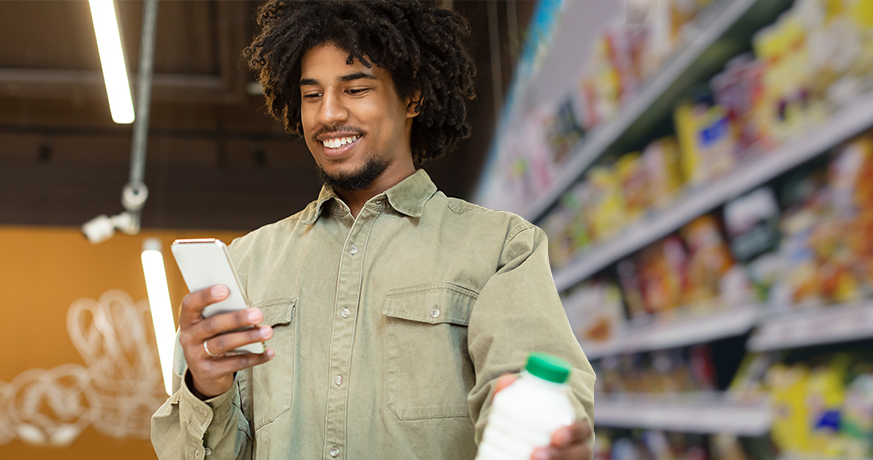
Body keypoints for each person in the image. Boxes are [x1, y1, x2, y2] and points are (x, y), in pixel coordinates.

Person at [149, 1, 595, 458]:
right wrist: (206, 388)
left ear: (412, 98)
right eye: (312, 94)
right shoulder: (245, 263)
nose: (328, 115)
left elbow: (538, 385)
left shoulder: (500, 247)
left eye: (355, 88)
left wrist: (547, 428)